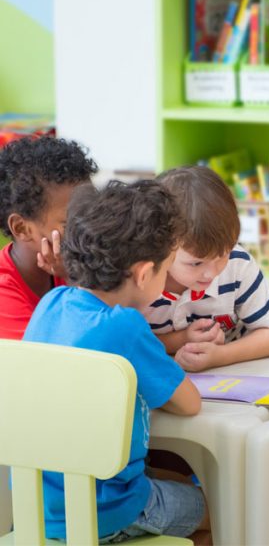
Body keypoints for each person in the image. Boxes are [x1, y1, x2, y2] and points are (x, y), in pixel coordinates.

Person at [23, 179, 210, 544]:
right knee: (219, 508)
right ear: (143, 274)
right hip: (108, 512)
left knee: (173, 482)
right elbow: (189, 403)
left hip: (42, 510)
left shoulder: (53, 302)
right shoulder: (124, 326)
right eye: (167, 267)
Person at [143, 166, 269, 372]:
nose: (212, 273)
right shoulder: (141, 277)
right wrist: (180, 340)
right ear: (161, 246)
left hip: (229, 379)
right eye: (196, 263)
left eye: (223, 255)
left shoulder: (237, 264)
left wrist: (220, 356)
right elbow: (121, 343)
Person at [0, 135, 97, 339]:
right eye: (71, 221)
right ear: (22, 228)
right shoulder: (3, 291)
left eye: (94, 212)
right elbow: (66, 352)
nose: (92, 226)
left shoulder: (80, 254)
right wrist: (73, 277)